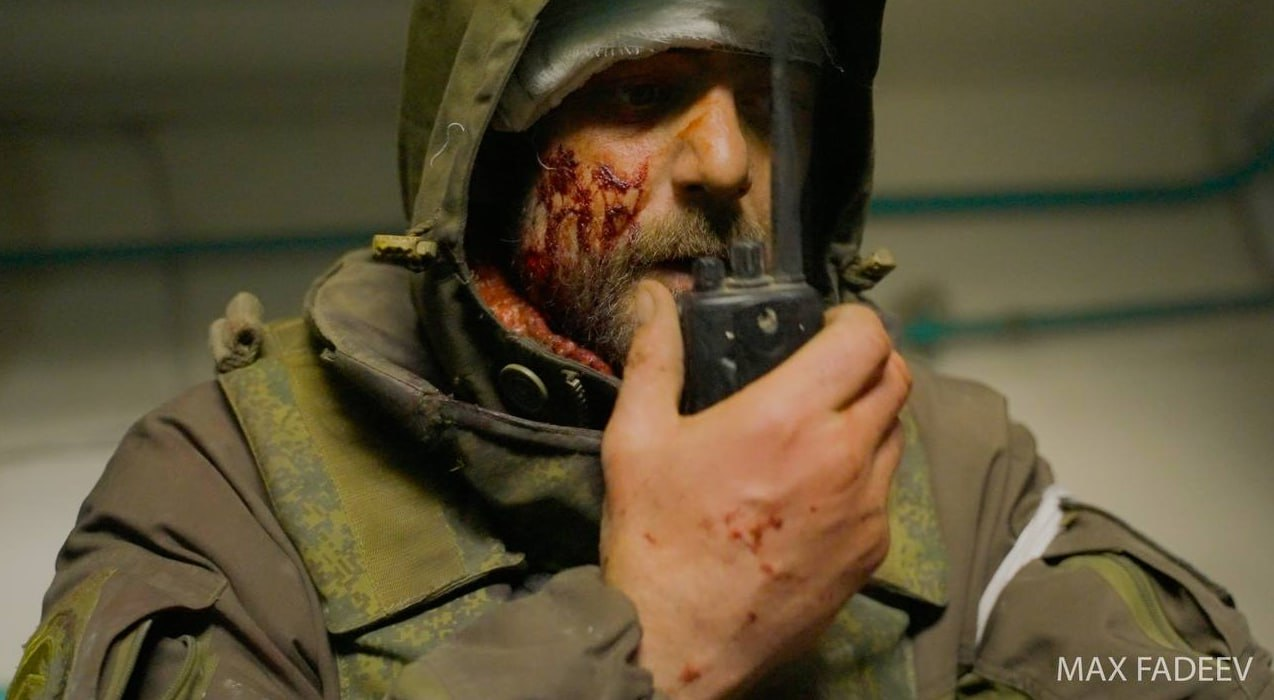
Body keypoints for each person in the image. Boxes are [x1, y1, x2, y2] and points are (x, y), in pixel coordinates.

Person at [12, 0, 1271, 698]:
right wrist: (652, 635)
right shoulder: (226, 491)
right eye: (635, 91)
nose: (728, 162)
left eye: (767, 101)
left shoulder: (950, 459)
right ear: (490, 151)